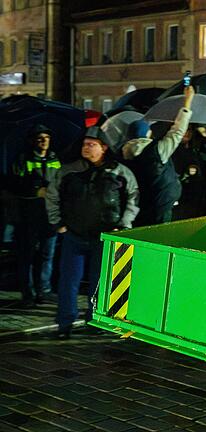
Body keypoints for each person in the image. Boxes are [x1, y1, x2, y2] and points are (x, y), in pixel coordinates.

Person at [46, 127, 139, 339]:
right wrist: (58, 223)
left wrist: (124, 225)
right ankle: (65, 322)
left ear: (103, 148)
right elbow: (52, 195)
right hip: (74, 235)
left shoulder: (120, 172)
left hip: (104, 236)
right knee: (68, 280)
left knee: (99, 280)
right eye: (84, 144)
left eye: (91, 144)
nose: (86, 148)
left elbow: (133, 199)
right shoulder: (69, 170)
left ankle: (95, 319)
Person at [122, 86, 194, 226]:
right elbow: (177, 131)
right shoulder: (156, 151)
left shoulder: (124, 154)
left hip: (140, 208)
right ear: (147, 134)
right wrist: (187, 102)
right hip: (161, 205)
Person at [10, 125, 61, 306]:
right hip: (28, 215)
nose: (44, 141)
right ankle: (28, 293)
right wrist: (34, 190)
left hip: (50, 216)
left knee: (48, 254)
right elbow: (14, 185)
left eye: (47, 137)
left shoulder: (56, 159)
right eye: (40, 138)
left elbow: (61, 183)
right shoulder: (23, 159)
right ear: (32, 140)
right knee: (28, 255)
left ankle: (44, 291)